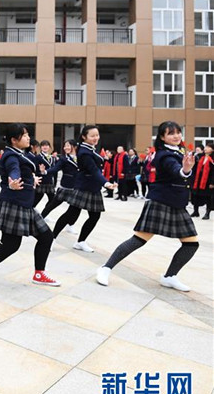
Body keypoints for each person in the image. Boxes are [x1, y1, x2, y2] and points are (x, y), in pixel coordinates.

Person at [97, 121, 199, 292]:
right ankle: (105, 268)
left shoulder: (179, 151)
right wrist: (185, 170)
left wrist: (186, 169)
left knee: (191, 244)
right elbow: (175, 169)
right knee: (139, 239)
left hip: (176, 203)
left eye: (178, 132)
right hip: (161, 202)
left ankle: (169, 276)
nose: (176, 136)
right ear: (162, 137)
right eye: (171, 133)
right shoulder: (164, 155)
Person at [0, 123, 60, 287]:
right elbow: (13, 169)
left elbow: (23, 170)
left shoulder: (22, 154)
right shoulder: (11, 156)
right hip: (13, 205)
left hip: (25, 205)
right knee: (11, 245)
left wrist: (31, 178)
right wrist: (13, 181)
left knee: (46, 237)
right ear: (14, 140)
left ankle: (39, 273)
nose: (28, 137)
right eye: (24, 135)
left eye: (28, 134)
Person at [50, 126, 117, 253]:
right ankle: (51, 239)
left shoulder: (90, 149)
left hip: (93, 187)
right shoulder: (84, 152)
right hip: (84, 187)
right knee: (70, 214)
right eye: (92, 136)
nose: (96, 138)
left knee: (94, 216)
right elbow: (93, 170)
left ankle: (80, 242)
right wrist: (105, 183)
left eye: (97, 135)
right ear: (84, 137)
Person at [39, 139, 79, 234]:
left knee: (76, 209)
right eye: (65, 146)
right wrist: (45, 172)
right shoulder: (63, 159)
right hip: (65, 187)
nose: (65, 148)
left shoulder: (81, 158)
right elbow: (55, 168)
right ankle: (40, 220)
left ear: (74, 147)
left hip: (76, 187)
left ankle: (70, 225)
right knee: (52, 205)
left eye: (68, 145)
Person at [191, 143, 214, 219]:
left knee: (208, 197)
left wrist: (212, 182)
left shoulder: (212, 159)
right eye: (206, 147)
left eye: (208, 147)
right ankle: (196, 211)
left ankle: (207, 213)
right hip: (198, 179)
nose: (206, 148)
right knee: (195, 195)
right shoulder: (200, 157)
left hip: (208, 180)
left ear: (212, 150)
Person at [33, 140, 56, 208]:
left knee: (52, 199)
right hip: (41, 181)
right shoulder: (38, 157)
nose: (45, 147)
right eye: (43, 145)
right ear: (40, 147)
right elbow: (35, 169)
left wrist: (54, 182)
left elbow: (54, 170)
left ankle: (44, 212)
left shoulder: (52, 158)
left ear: (49, 147)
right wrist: (40, 171)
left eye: (46, 145)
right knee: (37, 199)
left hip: (49, 181)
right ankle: (30, 211)